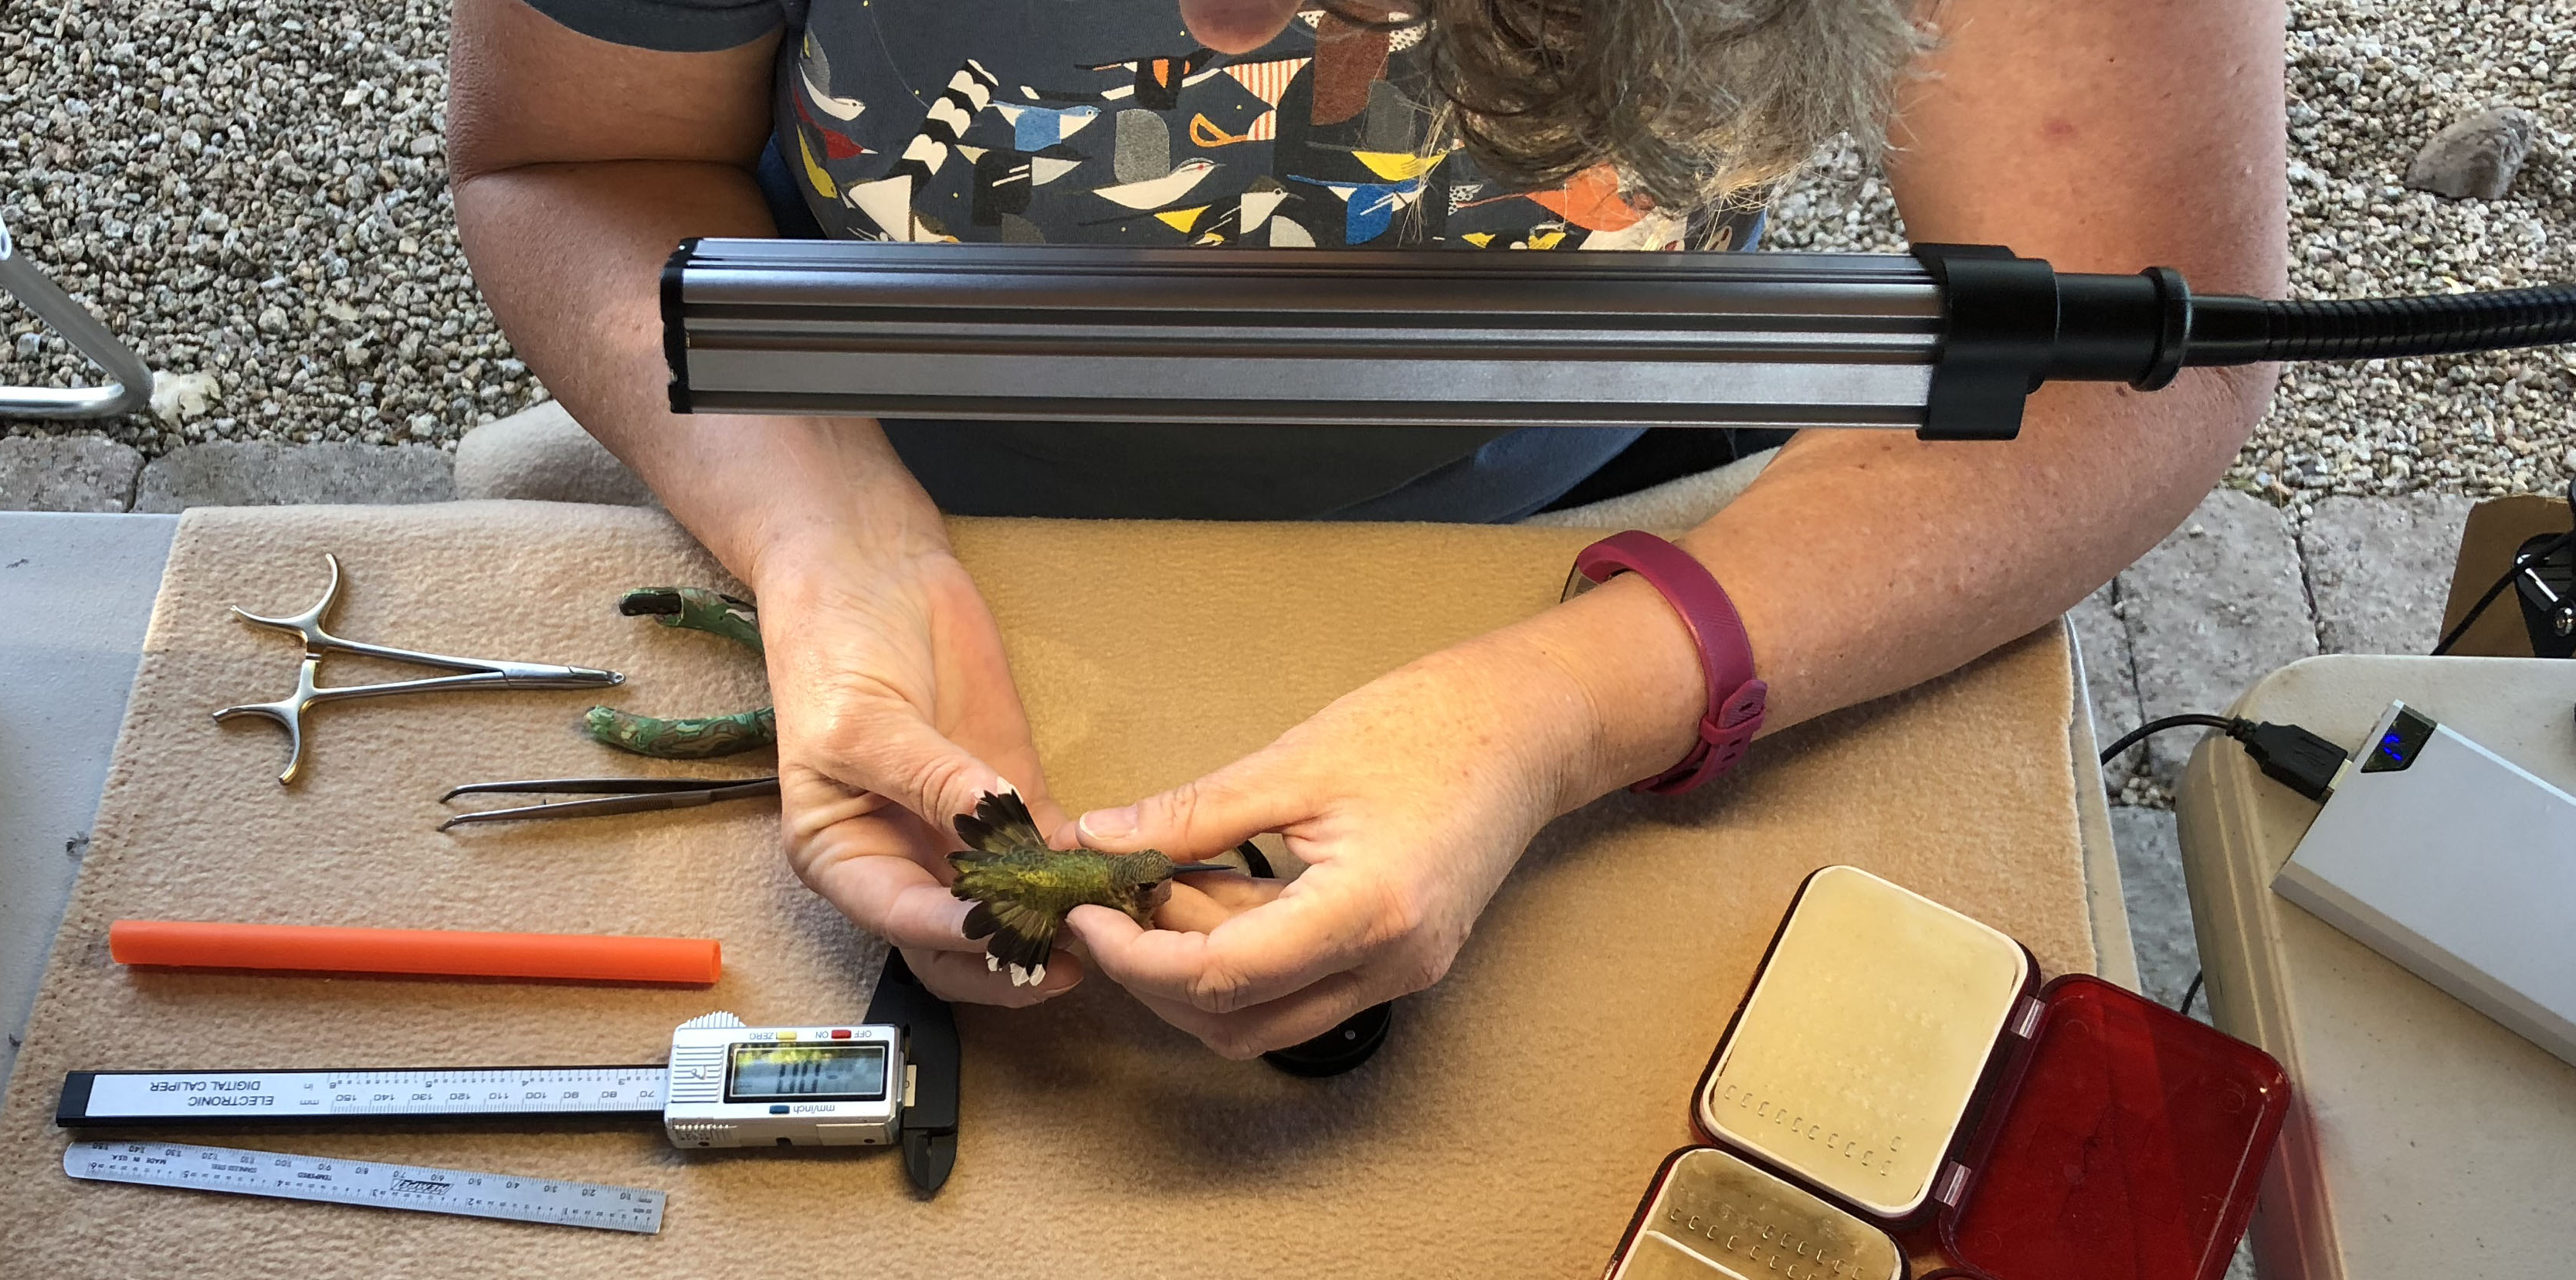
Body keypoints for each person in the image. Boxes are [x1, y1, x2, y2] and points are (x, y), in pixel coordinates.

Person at [447, 0, 2286, 1054]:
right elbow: (570, 163)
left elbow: (2127, 353)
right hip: (831, 437)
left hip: (1614, 504)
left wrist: (1569, 701)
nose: (1243, 32)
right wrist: (833, 540)